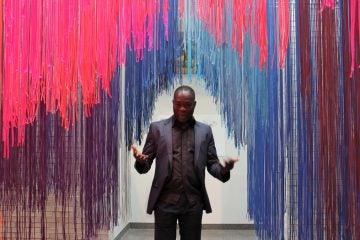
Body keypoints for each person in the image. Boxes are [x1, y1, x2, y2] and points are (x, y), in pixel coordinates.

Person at [131, 85, 238, 240]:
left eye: (187, 105)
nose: (182, 108)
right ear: (173, 103)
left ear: (194, 105)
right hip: (164, 202)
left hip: (193, 203)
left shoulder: (205, 131)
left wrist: (224, 169)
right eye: (178, 104)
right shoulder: (157, 129)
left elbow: (212, 163)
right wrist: (141, 162)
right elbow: (145, 164)